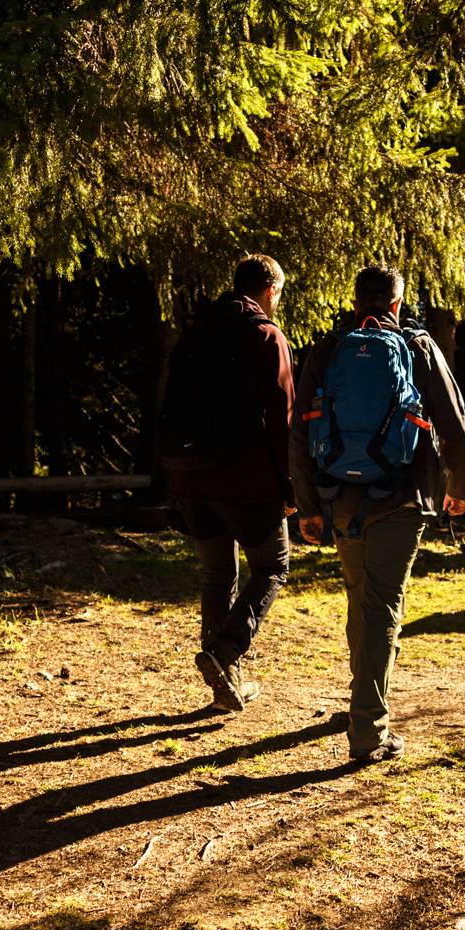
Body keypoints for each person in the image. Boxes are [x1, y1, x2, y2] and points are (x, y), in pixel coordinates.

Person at [291, 266, 465, 764]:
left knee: (361, 600)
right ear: (396, 304)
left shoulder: (328, 349)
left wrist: (307, 506)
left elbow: (298, 431)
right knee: (382, 604)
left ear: (355, 303)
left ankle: (364, 705)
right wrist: (459, 485)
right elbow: (454, 421)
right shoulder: (417, 346)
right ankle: (369, 729)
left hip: (340, 497)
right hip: (402, 495)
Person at [162, 255, 296, 710]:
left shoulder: (195, 335)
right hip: (247, 480)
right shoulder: (265, 337)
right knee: (273, 565)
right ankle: (225, 651)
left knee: (217, 573)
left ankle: (225, 683)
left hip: (190, 477)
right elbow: (282, 421)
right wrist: (290, 487)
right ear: (271, 291)